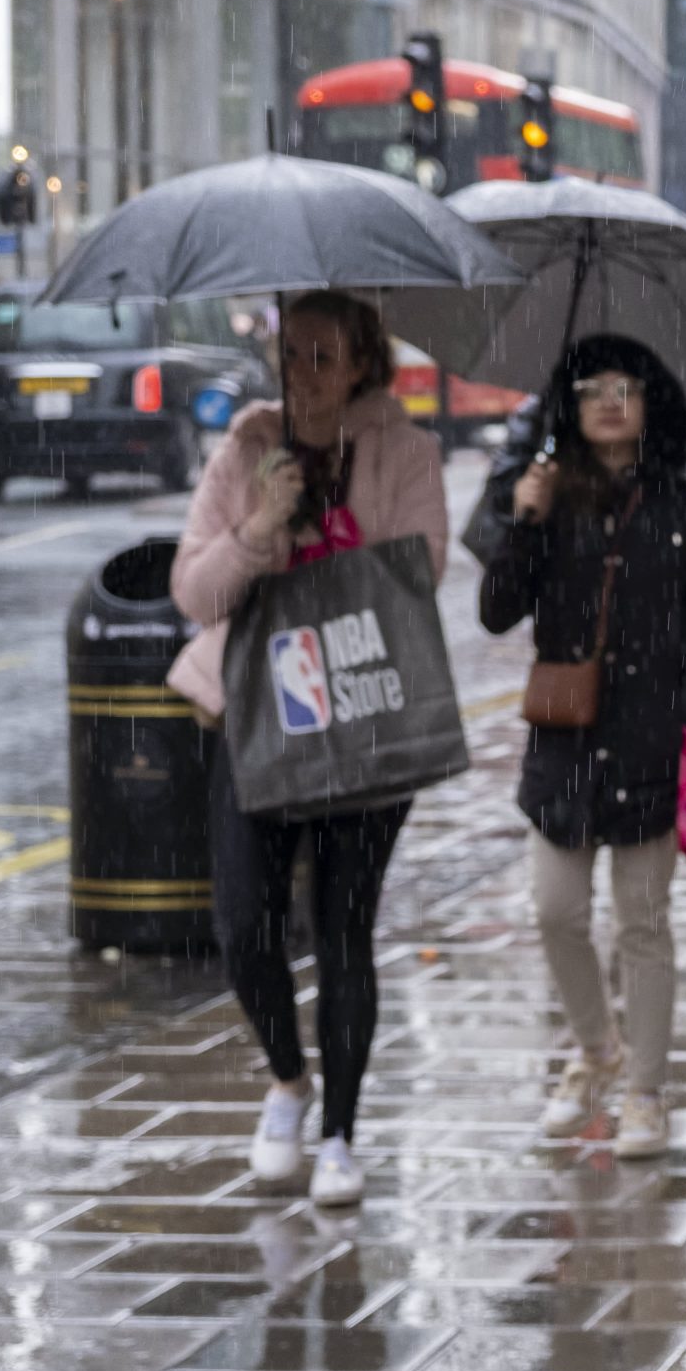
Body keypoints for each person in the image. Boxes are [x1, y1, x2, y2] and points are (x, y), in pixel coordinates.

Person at [168, 291, 448, 1207]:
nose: (303, 374)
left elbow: (421, 569)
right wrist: (259, 529)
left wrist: (330, 532)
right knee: (243, 925)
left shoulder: (406, 450)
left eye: (323, 356)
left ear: (363, 361)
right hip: (258, 714)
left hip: (364, 716)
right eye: (291, 353)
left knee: (343, 929)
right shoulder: (247, 447)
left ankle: (339, 1136)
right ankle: (289, 1080)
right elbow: (193, 593)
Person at [480, 335, 686, 1153]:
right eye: (590, 388)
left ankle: (646, 1090)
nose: (607, 401)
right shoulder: (547, 497)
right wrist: (524, 519)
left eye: (624, 387)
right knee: (556, 910)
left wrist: (684, 713)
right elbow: (496, 609)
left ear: (649, 403)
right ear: (567, 407)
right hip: (562, 744)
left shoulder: (683, 508)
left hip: (648, 744)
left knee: (643, 921)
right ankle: (598, 1049)